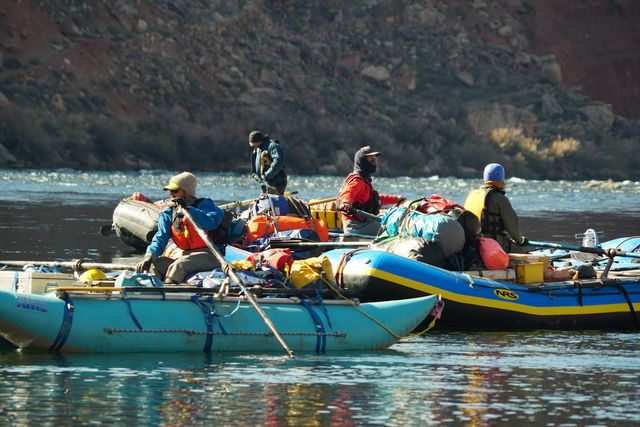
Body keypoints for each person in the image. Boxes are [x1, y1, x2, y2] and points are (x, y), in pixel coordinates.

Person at [136, 171, 225, 284]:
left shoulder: (205, 205)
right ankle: (152, 289)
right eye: (170, 191)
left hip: (210, 256)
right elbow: (160, 238)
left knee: (180, 265)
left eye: (175, 190)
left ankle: (170, 290)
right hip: (186, 256)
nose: (171, 194)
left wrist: (188, 210)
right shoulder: (169, 213)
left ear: (186, 192)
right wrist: (150, 256)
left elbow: (211, 222)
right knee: (157, 264)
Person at [337, 146, 404, 237]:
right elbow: (348, 192)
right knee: (395, 230)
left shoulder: (365, 181)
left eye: (375, 160)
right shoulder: (357, 181)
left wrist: (396, 199)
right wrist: (345, 202)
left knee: (394, 222)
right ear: (362, 162)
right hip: (357, 226)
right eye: (372, 161)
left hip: (365, 222)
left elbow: (375, 199)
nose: (375, 163)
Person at [464, 163, 528, 253]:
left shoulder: (472, 194)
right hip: (491, 243)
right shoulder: (500, 199)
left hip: (471, 243)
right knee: (521, 251)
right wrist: (521, 241)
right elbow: (512, 228)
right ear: (502, 179)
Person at [249, 130, 287, 195]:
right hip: (265, 184)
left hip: (276, 183)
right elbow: (254, 171)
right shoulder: (257, 149)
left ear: (258, 141)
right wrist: (257, 178)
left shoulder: (272, 146)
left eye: (253, 144)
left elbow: (278, 162)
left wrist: (267, 175)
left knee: (273, 203)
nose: (253, 147)